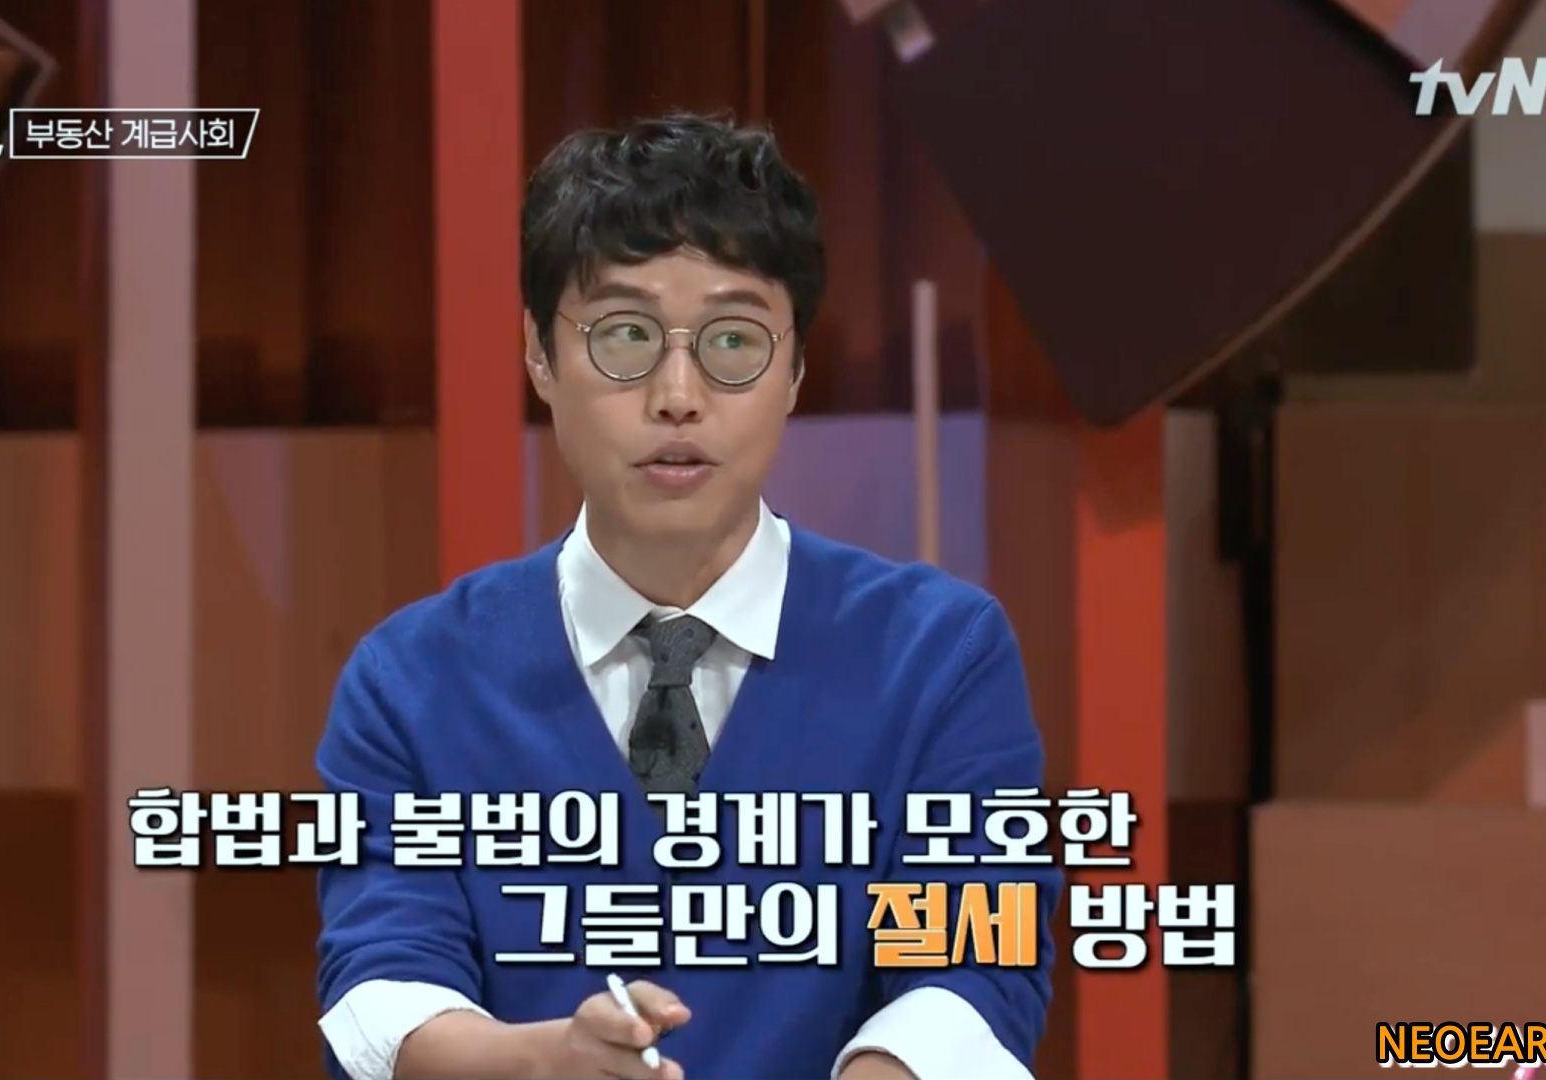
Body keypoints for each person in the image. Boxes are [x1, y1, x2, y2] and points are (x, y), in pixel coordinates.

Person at [315, 111, 1059, 1080]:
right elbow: (382, 988)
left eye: (733, 340)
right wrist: (546, 1064)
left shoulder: (937, 656)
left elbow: (976, 963)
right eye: (625, 335)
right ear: (539, 352)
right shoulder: (413, 679)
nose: (677, 394)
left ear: (795, 367)